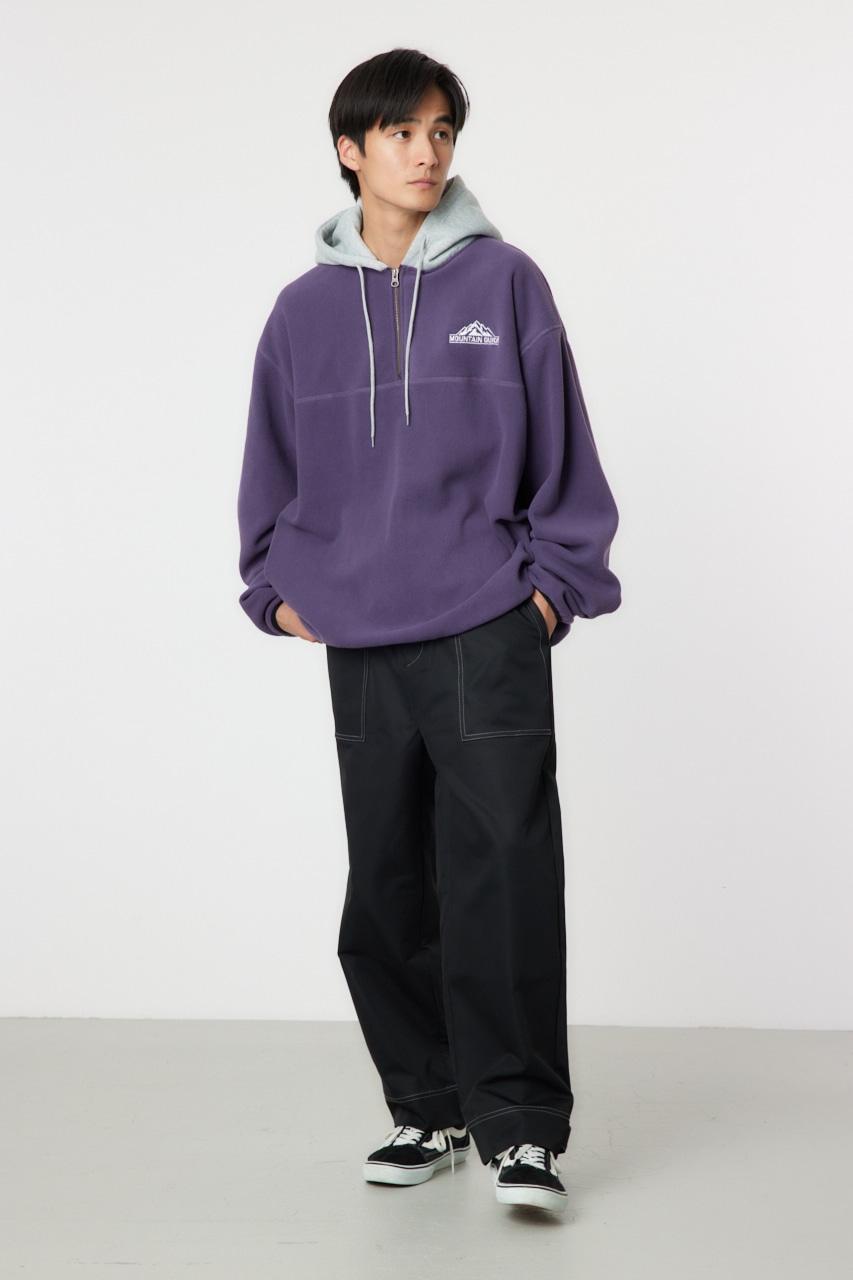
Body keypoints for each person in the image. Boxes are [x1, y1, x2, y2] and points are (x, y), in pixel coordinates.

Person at [236, 47, 620, 1214]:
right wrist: (276, 589)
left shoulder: (506, 283)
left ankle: (521, 1129)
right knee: (388, 882)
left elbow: (565, 452)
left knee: (505, 873)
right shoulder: (301, 313)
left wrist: (548, 590)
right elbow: (269, 470)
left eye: (442, 130)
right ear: (350, 150)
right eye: (402, 131)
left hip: (485, 623)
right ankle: (429, 1103)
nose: (427, 150)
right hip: (359, 637)